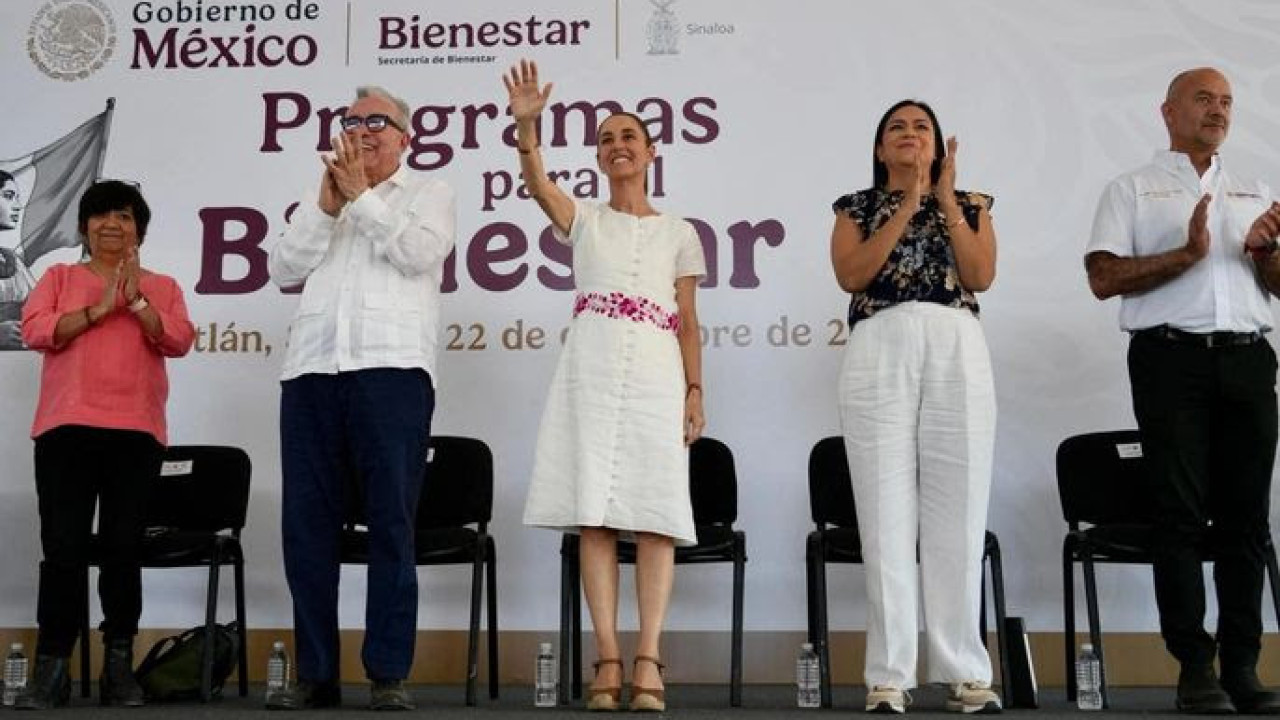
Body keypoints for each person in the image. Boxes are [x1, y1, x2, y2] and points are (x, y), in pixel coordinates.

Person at [507, 60, 705, 713]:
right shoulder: (586, 220)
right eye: (606, 139)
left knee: (654, 515)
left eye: (629, 137)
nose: (618, 146)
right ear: (598, 157)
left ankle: (648, 657)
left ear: (651, 152)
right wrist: (528, 129)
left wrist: (695, 390)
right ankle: (608, 658)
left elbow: (688, 320)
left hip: (656, 373)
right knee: (593, 513)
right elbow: (538, 186)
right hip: (589, 370)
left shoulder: (680, 232)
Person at [1085, 67, 1280, 715]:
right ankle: (1195, 667)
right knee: (1179, 515)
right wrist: (1185, 255)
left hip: (1249, 359)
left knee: (1248, 519)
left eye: (1226, 101)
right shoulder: (1132, 189)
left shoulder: (1256, 191)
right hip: (1170, 361)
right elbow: (1104, 278)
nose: (1217, 110)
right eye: (1203, 99)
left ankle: (1243, 665)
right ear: (1168, 112)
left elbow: (1278, 285)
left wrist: (1266, 255)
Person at [267, 85, 456, 711]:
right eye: (352, 122)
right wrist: (326, 208)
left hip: (392, 372)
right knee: (307, 529)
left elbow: (418, 253)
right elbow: (283, 268)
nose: (364, 130)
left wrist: (362, 198)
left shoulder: (429, 192)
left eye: (379, 121)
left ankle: (388, 672)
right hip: (312, 370)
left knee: (390, 524)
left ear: (405, 137)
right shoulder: (323, 194)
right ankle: (316, 673)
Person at [829, 100, 1000, 714]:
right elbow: (853, 275)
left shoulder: (972, 204)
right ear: (880, 149)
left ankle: (964, 670)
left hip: (956, 341)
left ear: (938, 142)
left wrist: (944, 198)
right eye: (896, 128)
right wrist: (907, 204)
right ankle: (889, 674)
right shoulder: (856, 207)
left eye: (921, 126)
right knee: (884, 515)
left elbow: (980, 274)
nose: (909, 134)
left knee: (961, 511)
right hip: (881, 343)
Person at [16, 180, 195, 709]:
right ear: (84, 227)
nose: (111, 224)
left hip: (136, 433)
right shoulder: (58, 277)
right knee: (63, 550)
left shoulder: (162, 286)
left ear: (139, 230)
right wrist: (100, 307)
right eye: (100, 215)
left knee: (123, 549)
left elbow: (178, 339)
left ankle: (119, 666)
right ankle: (52, 667)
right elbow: (37, 331)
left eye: (124, 215)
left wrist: (134, 300)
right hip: (65, 430)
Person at [0, 169, 34, 349]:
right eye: (8, 196)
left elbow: (41, 307)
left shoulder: (12, 260)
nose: (18, 206)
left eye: (17, 198)